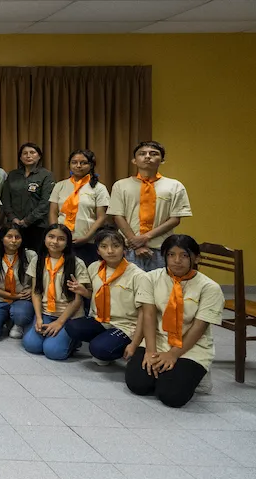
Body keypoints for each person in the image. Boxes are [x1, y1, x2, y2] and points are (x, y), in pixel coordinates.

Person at [125, 235, 224, 408]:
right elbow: (148, 315)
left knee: (172, 397)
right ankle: (170, 373)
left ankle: (198, 375)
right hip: (158, 339)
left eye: (184, 255)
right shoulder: (150, 278)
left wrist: (173, 355)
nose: (177, 261)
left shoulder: (209, 288)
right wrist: (151, 351)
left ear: (196, 258)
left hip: (190, 347)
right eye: (171, 255)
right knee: (138, 384)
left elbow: (199, 327)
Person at [63, 228, 147, 364]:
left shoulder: (138, 275)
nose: (110, 251)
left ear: (124, 249)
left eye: (116, 246)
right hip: (101, 320)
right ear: (97, 251)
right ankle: (108, 342)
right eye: (104, 246)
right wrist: (83, 291)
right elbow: (94, 293)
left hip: (125, 325)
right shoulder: (94, 267)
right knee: (73, 327)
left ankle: (115, 346)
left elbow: (144, 312)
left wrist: (135, 343)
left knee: (99, 349)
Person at [108, 141, 192, 271]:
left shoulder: (174, 186)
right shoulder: (121, 185)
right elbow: (118, 216)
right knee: (129, 288)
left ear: (162, 160)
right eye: (142, 154)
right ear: (134, 160)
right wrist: (136, 243)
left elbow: (175, 219)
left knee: (160, 288)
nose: (147, 157)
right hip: (128, 248)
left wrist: (146, 237)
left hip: (161, 248)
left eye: (153, 154)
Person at [22, 224, 91, 360]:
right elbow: (36, 292)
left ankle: (74, 340)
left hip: (69, 316)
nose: (55, 242)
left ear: (67, 242)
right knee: (31, 346)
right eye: (51, 237)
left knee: (53, 352)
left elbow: (77, 300)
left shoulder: (76, 263)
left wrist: (59, 322)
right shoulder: (38, 260)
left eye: (61, 239)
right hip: (46, 313)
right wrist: (39, 317)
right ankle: (43, 329)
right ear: (44, 238)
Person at [50, 149, 110, 266]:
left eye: (83, 163)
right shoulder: (60, 185)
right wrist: (55, 233)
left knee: (84, 278)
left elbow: (102, 217)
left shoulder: (99, 188)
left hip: (87, 241)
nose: (78, 166)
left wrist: (86, 237)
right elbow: (53, 212)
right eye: (74, 162)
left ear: (91, 165)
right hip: (61, 241)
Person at [0, 224, 36, 340]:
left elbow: (40, 280)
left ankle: (18, 323)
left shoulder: (30, 256)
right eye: (9, 236)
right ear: (2, 238)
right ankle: (5, 318)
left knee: (21, 315)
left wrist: (31, 290)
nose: (13, 241)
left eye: (17, 237)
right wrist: (13, 296)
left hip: (23, 298)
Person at [1, 142, 54, 252]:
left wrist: (28, 220)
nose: (28, 156)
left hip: (38, 225)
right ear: (20, 157)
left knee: (36, 257)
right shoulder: (13, 175)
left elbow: (46, 202)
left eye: (32, 153)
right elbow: (5, 199)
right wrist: (13, 218)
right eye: (25, 153)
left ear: (39, 156)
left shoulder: (46, 175)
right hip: (14, 225)